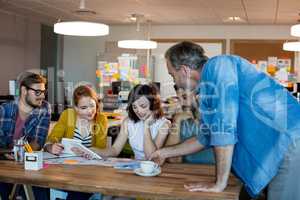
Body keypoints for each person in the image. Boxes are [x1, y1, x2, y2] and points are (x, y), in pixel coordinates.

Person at [150, 41, 300, 200]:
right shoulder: (207, 90)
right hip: (282, 147)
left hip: (290, 142)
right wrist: (164, 152)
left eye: (172, 75)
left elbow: (224, 128)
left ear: (185, 70)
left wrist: (219, 183)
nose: (174, 82)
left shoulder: (219, 66)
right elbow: (205, 137)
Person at [45, 85, 108, 200]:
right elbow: (51, 140)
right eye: (84, 108)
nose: (90, 111)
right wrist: (51, 147)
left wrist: (88, 152)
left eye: (92, 106)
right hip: (66, 170)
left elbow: (101, 148)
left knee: (80, 190)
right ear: (75, 108)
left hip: (90, 172)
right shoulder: (68, 115)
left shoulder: (101, 119)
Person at [0, 72, 51, 200]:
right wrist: (6, 153)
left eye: (44, 92)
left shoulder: (44, 108)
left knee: (40, 186)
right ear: (24, 91)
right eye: (38, 92)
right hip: (4, 162)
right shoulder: (4, 110)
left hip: (27, 161)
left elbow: (38, 142)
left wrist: (21, 151)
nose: (42, 96)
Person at [94, 84, 170, 161]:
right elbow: (115, 150)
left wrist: (146, 125)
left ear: (153, 104)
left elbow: (151, 157)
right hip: (135, 167)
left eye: (143, 106)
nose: (139, 111)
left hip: (154, 169)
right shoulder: (128, 122)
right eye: (134, 107)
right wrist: (94, 151)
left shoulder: (164, 125)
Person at [166, 85, 214, 164]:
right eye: (178, 99)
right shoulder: (183, 122)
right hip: (187, 173)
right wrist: (177, 120)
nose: (181, 104)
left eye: (184, 97)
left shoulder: (215, 121)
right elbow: (173, 160)